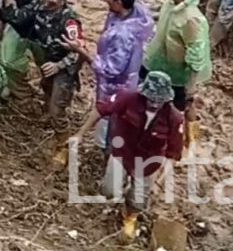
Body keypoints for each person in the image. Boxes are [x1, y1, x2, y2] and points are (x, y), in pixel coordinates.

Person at [73, 71, 184, 240]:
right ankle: (119, 189)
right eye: (151, 99)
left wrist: (159, 182)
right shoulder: (127, 98)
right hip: (123, 153)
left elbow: (173, 154)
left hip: (148, 163)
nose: (154, 104)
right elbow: (101, 110)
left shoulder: (174, 118)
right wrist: (80, 134)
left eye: (159, 101)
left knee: (139, 201)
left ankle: (129, 217)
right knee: (109, 191)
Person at [63, 0, 154, 147]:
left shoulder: (123, 35)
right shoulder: (137, 9)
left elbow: (109, 69)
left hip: (117, 87)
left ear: (118, 3)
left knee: (110, 121)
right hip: (130, 71)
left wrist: (81, 50)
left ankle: (109, 149)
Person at [0, 0, 82, 145]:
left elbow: (78, 52)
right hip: (47, 58)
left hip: (65, 66)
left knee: (57, 110)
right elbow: (17, 17)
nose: (48, 0)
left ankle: (63, 144)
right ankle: (48, 115)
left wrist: (58, 65)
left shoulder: (69, 20)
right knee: (47, 86)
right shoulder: (40, 3)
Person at [140, 0, 211, 148]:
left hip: (178, 74)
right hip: (157, 62)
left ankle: (189, 141)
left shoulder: (192, 19)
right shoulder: (171, 3)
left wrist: (191, 86)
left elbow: (196, 54)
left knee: (181, 109)